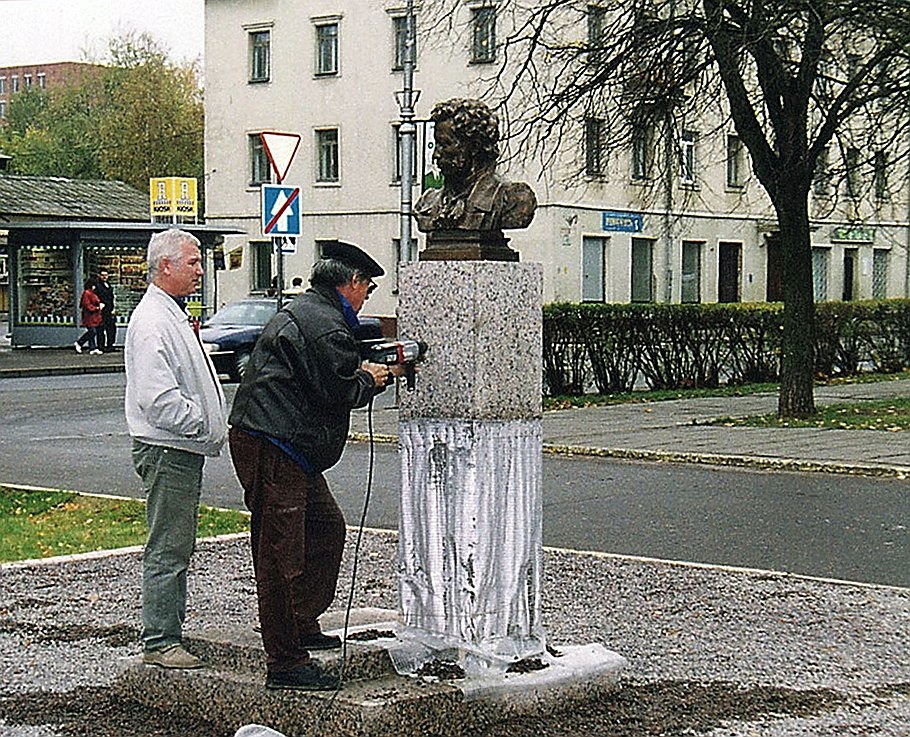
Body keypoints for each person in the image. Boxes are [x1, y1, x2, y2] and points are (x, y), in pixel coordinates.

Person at [228, 240, 404, 692]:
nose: (367, 296)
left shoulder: (315, 313)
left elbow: (324, 378)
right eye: (367, 287)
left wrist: (360, 372)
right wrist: (372, 377)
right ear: (352, 283)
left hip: (290, 447)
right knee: (278, 554)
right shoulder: (325, 325)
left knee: (325, 529)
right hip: (274, 444)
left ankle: (302, 622)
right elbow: (339, 389)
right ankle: (285, 662)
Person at [124, 228, 227, 670]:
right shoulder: (152, 322)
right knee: (169, 546)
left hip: (178, 449)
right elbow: (157, 398)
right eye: (193, 262)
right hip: (169, 450)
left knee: (175, 544)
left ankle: (167, 635)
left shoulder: (169, 314)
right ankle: (161, 640)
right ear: (164, 266)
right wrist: (202, 422)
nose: (200, 271)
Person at [413, 98, 536, 234]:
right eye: (436, 145)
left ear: (474, 147)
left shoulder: (512, 198)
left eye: (445, 144)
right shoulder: (427, 202)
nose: (436, 154)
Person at [74, 278, 104, 355]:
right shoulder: (87, 293)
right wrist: (97, 308)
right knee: (92, 331)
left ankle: (92, 347)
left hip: (93, 316)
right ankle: (80, 343)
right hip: (89, 316)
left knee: (93, 331)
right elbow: (87, 305)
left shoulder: (91, 293)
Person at [94, 269, 116, 352]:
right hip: (102, 311)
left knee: (111, 328)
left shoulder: (108, 285)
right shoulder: (98, 286)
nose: (104, 277)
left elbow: (111, 298)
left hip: (109, 310)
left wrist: (112, 308)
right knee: (101, 329)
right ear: (99, 276)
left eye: (106, 275)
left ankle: (110, 345)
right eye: (102, 275)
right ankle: (101, 346)